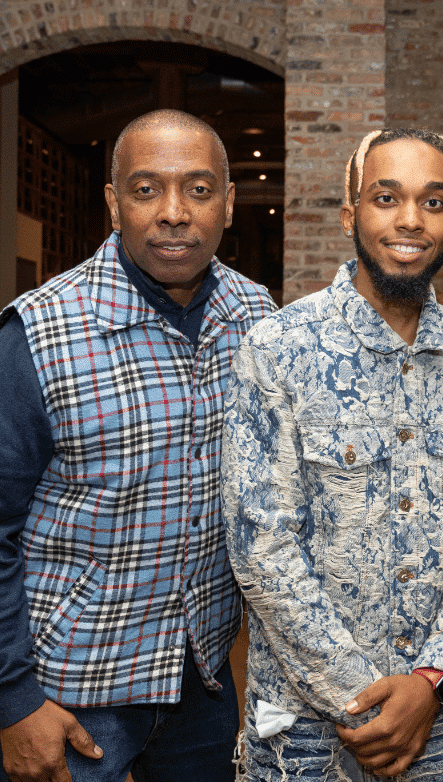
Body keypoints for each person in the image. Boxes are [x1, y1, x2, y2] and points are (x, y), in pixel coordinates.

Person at [221, 128, 443, 781]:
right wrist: (369, 701)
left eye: (432, 202)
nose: (410, 219)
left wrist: (430, 683)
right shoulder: (278, 348)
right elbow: (261, 549)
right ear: (352, 214)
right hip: (303, 743)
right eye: (387, 197)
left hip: (442, 729)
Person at [0, 109, 276, 782]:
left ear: (230, 203)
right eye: (147, 189)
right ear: (114, 204)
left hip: (203, 685)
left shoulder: (259, 320)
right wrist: (12, 700)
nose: (175, 212)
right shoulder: (37, 335)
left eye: (200, 189)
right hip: (68, 694)